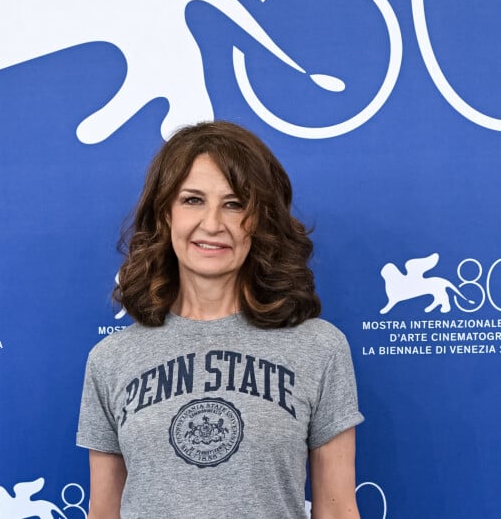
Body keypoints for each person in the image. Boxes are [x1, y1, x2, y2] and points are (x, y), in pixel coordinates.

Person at [77, 120, 364, 519]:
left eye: (234, 204)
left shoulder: (319, 348)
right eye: (192, 200)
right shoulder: (110, 360)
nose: (212, 224)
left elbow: (336, 511)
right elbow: (104, 513)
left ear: (260, 220)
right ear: (165, 215)